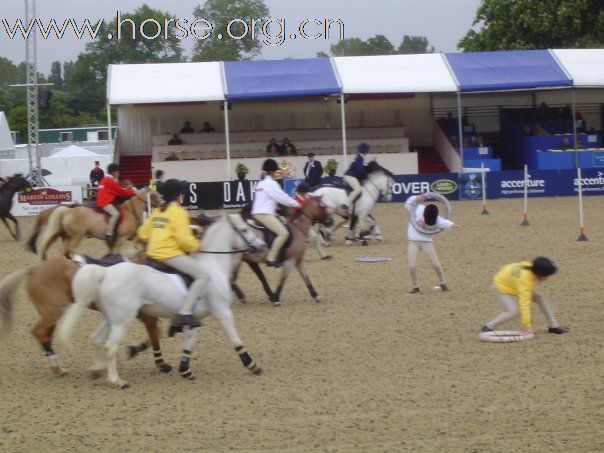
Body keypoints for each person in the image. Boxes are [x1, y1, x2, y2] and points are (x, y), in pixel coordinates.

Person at [137, 179, 206, 329]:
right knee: (203, 275)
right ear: (178, 196)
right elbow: (185, 241)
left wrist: (157, 238)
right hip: (169, 255)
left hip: (152, 254)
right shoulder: (179, 212)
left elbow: (143, 234)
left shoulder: (157, 210)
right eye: (183, 194)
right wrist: (197, 245)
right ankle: (185, 313)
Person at [481, 257, 569, 337]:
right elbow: (524, 305)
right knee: (512, 311)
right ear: (540, 274)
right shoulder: (526, 282)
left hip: (510, 282)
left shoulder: (531, 267)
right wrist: (528, 327)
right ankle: (488, 326)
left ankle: (553, 326)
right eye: (547, 275)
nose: (548, 277)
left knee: (540, 297)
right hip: (498, 286)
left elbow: (508, 268)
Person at [405, 193, 460, 293]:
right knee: (411, 265)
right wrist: (416, 198)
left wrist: (453, 225)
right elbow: (408, 204)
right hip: (413, 241)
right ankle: (416, 286)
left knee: (436, 264)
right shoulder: (417, 208)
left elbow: (444, 222)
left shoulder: (435, 217)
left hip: (426, 241)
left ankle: (443, 283)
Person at [252, 158, 301, 267]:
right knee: (284, 233)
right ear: (271, 172)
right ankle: (271, 258)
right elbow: (282, 198)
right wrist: (297, 204)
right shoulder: (271, 183)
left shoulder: (261, 183)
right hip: (264, 214)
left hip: (257, 213)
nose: (276, 174)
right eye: (276, 172)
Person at [96, 163, 136, 246]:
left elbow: (117, 189)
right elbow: (120, 191)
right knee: (116, 214)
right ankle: (109, 234)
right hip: (104, 202)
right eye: (118, 172)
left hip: (103, 199)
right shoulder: (109, 180)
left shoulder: (105, 179)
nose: (119, 173)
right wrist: (133, 191)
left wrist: (125, 188)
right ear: (114, 172)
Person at [292, 183, 331, 260]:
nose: (307, 193)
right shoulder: (295, 201)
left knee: (315, 237)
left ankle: (322, 255)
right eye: (305, 192)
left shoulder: (305, 198)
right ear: (302, 192)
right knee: (313, 237)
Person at [343, 143, 370, 212]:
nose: (367, 153)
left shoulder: (358, 157)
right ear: (365, 151)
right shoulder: (360, 158)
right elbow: (360, 170)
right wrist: (365, 176)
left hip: (349, 176)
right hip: (350, 176)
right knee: (358, 189)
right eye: (367, 151)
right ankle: (346, 204)